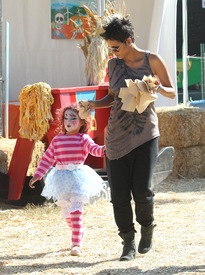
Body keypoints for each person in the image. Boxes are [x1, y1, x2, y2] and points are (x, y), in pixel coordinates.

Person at [85, 15, 176, 261]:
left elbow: (172, 90)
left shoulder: (152, 60)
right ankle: (128, 242)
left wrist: (157, 88)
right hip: (116, 137)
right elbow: (113, 97)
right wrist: (94, 103)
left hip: (145, 133)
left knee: (143, 191)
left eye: (115, 47)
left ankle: (147, 227)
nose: (112, 53)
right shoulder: (113, 65)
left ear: (129, 40)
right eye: (110, 49)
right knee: (119, 195)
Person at [29, 105, 105, 257]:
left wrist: (106, 148)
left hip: (78, 178)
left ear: (82, 122)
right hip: (61, 179)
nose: (68, 121)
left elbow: (94, 149)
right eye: (66, 118)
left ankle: (75, 244)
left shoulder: (83, 138)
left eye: (73, 118)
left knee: (76, 211)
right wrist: (37, 175)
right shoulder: (57, 140)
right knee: (67, 214)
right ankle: (79, 231)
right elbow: (47, 159)